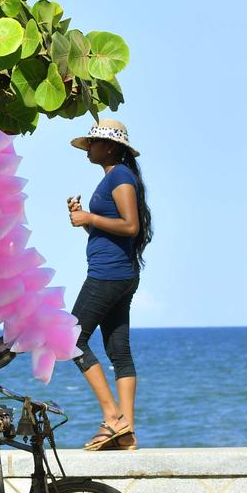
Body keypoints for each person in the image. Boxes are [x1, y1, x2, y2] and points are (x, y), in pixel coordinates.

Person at [66, 119, 153, 451]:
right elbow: (112, 230)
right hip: (118, 272)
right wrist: (85, 220)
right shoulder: (115, 177)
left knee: (71, 337)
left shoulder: (119, 176)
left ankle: (112, 417)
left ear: (111, 147)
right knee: (119, 351)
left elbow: (130, 226)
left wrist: (89, 218)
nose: (89, 147)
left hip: (109, 274)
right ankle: (127, 434)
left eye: (95, 142)